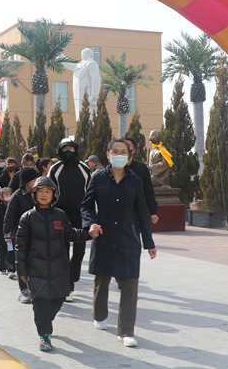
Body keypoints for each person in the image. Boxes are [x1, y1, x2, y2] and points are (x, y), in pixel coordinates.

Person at [82, 138, 157, 348]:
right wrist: (91, 223)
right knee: (102, 279)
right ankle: (99, 315)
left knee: (130, 284)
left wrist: (149, 242)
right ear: (108, 155)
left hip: (128, 237)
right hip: (104, 236)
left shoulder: (135, 180)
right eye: (115, 151)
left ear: (129, 155)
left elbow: (142, 212)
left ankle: (126, 331)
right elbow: (86, 206)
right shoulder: (98, 178)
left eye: (123, 151)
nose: (119, 155)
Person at [16, 176, 93, 352]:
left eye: (47, 192)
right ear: (34, 194)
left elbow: (71, 234)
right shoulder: (27, 218)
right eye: (40, 191)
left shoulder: (60, 215)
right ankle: (44, 335)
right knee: (40, 305)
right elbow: (20, 246)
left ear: (54, 195)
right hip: (36, 269)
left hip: (59, 268)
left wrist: (89, 234)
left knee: (58, 299)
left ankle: (46, 322)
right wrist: (21, 270)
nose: (44, 195)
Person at [48, 138, 92, 301]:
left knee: (80, 250)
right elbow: (49, 192)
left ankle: (73, 278)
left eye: (71, 148)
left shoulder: (84, 169)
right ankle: (67, 286)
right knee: (63, 250)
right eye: (65, 149)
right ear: (60, 150)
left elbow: (90, 193)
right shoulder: (55, 169)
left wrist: (92, 216)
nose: (68, 151)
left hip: (80, 214)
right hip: (61, 214)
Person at [2, 166, 41, 302]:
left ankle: (36, 289)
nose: (36, 181)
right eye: (34, 179)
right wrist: (8, 234)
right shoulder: (18, 196)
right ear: (26, 181)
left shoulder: (38, 193)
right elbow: (9, 216)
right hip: (21, 235)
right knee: (22, 263)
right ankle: (24, 290)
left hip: (37, 234)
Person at [124, 138, 159, 225]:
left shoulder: (142, 168)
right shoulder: (114, 169)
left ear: (133, 150)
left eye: (128, 146)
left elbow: (148, 191)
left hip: (137, 212)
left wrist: (153, 212)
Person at [61, 47, 101, 116]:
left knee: (89, 113)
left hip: (87, 92)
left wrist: (94, 96)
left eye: (84, 53)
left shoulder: (91, 63)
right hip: (78, 91)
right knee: (79, 113)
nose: (82, 55)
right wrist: (59, 55)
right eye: (82, 53)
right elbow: (69, 63)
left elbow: (96, 79)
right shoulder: (79, 64)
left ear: (88, 54)